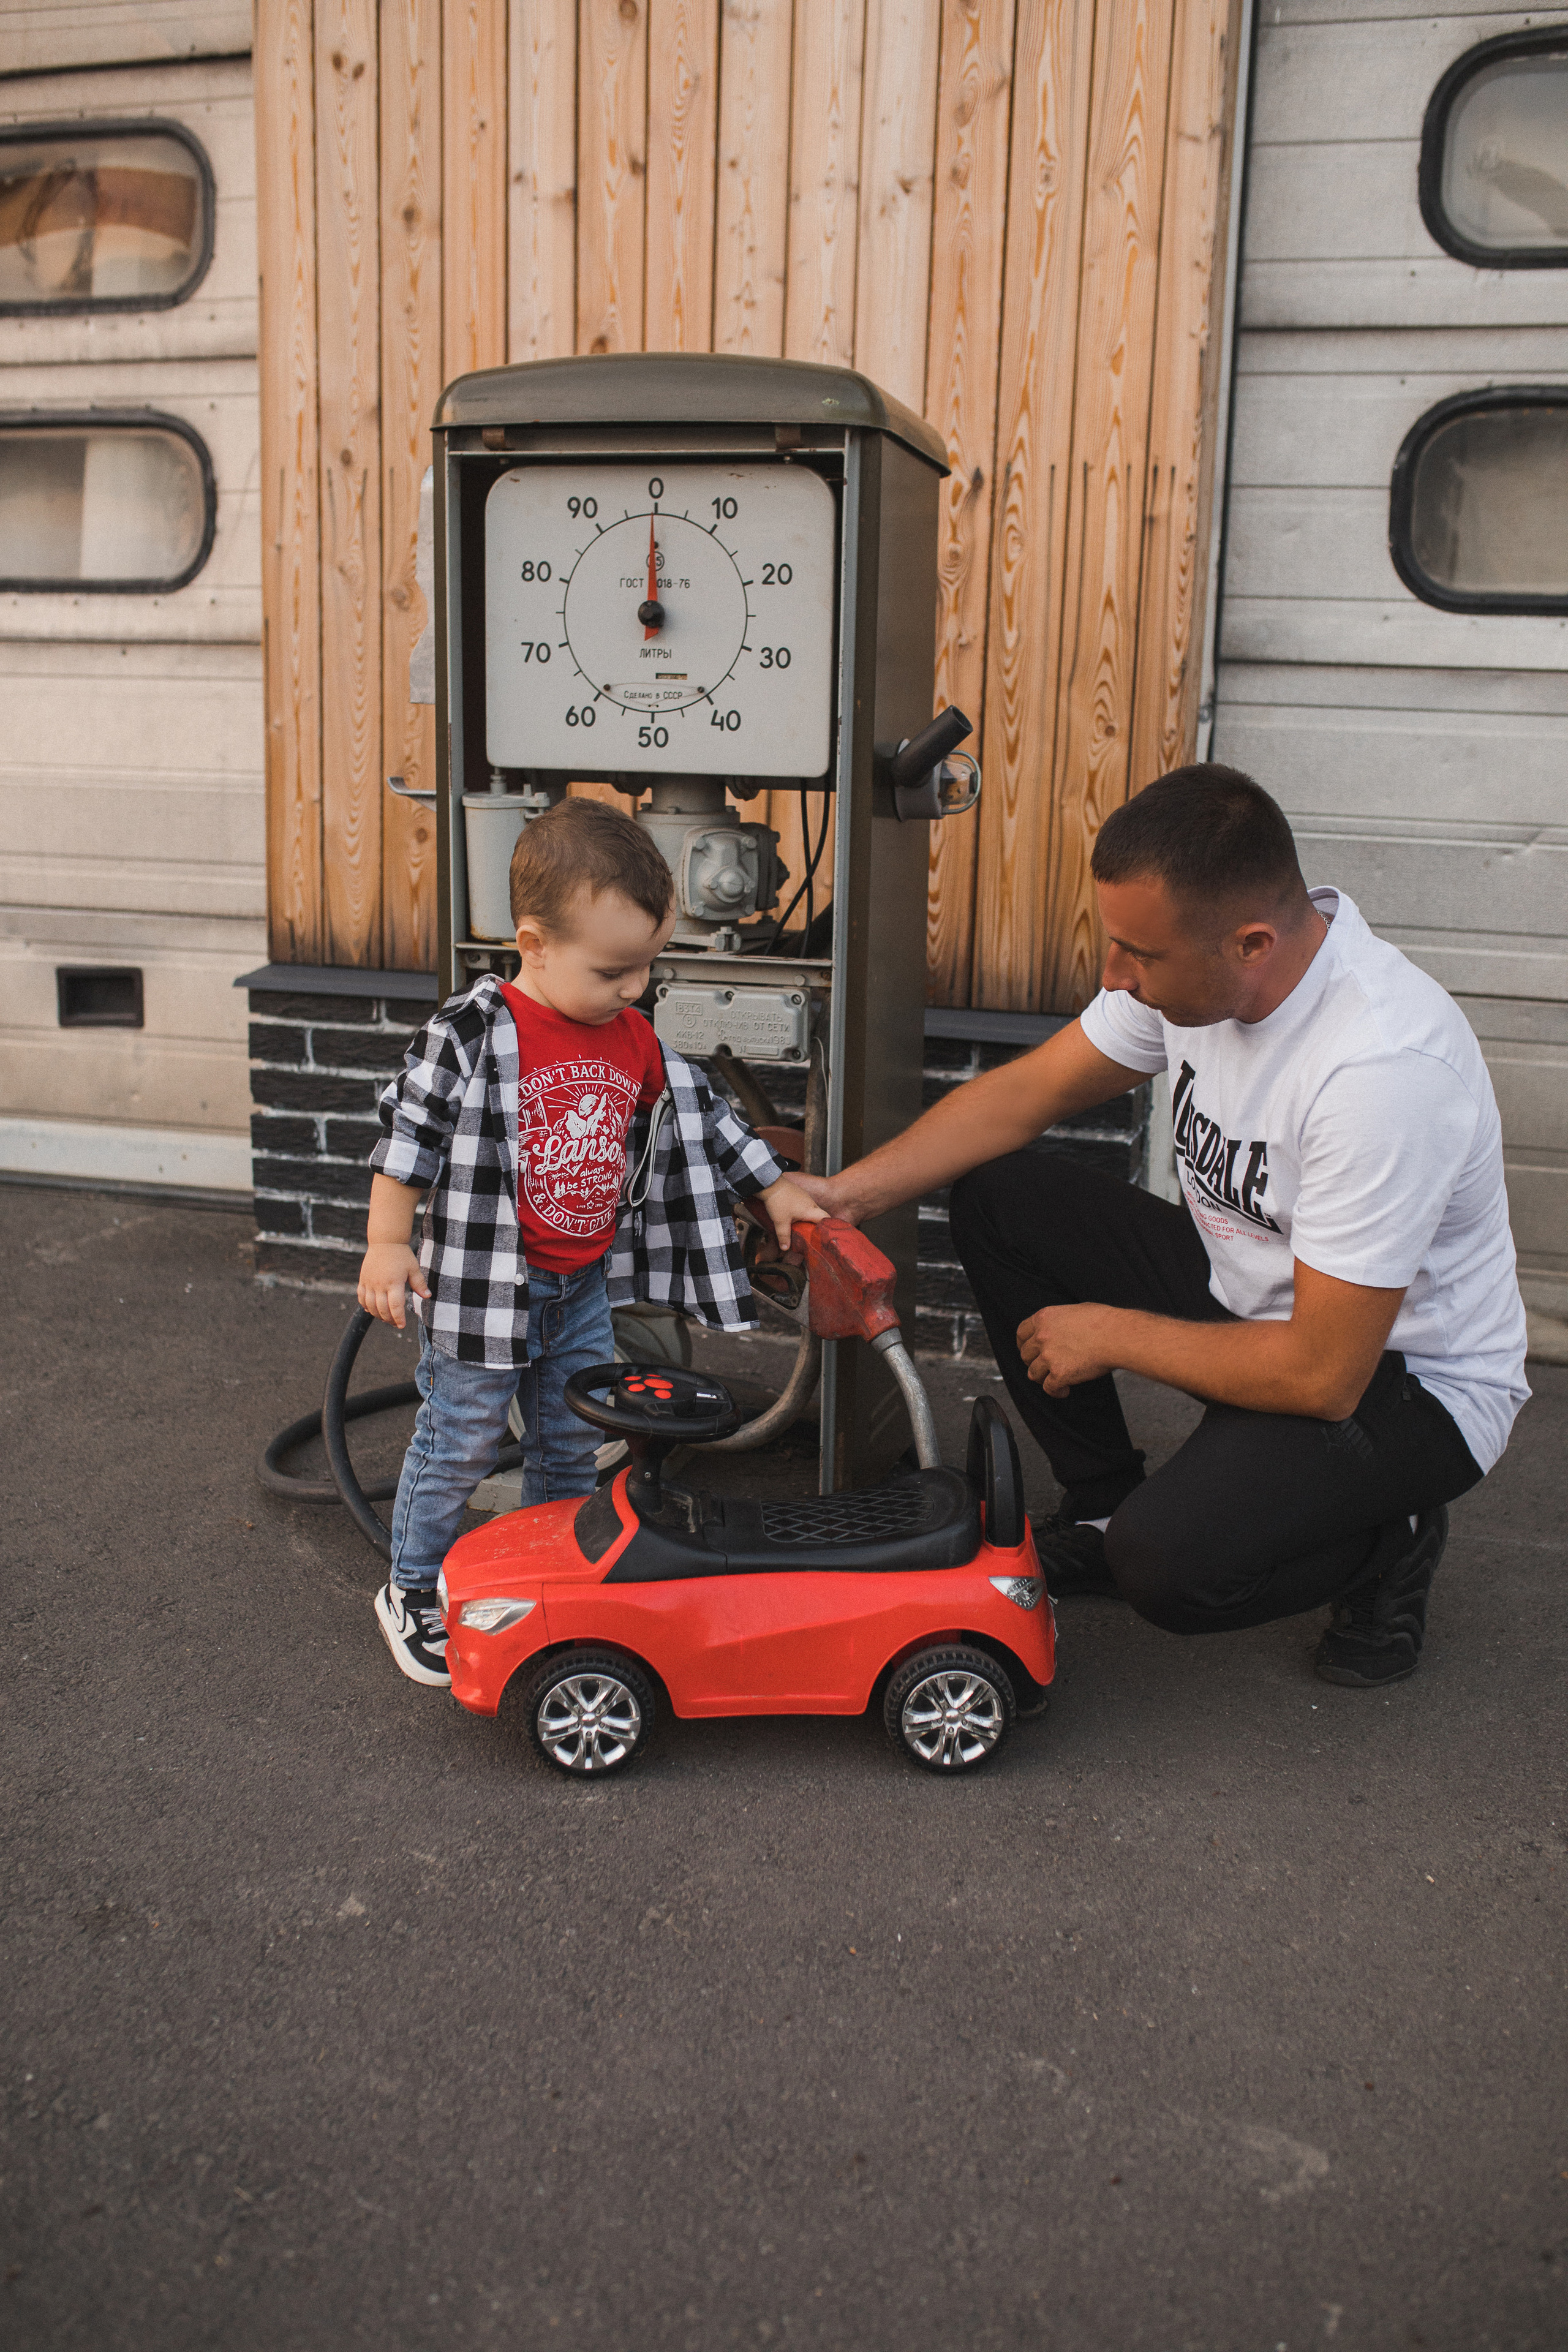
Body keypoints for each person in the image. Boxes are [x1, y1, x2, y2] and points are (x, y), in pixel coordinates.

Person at [796, 764, 1528, 1687]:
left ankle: (1391, 1532)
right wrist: (846, 1196)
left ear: (1252, 942)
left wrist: (1114, 1334)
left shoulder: (1381, 1072)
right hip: (1255, 1289)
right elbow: (1027, 1094)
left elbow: (1323, 1373)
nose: (1115, 975)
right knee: (1001, 1198)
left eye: (1140, 954)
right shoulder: (1204, 973)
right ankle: (1103, 1509)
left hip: (1402, 1381)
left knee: (1174, 1570)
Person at [358, 797, 823, 1688]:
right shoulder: (469, 1035)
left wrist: (773, 1187)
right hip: (486, 1285)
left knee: (572, 1439)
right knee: (459, 1437)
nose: (636, 988)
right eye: (615, 969)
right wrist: (386, 1245)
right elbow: (405, 1141)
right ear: (532, 943)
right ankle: (412, 1587)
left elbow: (703, 1115)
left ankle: (554, 1575)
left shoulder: (631, 1034)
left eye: (648, 965)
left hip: (577, 1286)